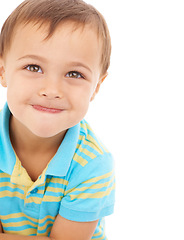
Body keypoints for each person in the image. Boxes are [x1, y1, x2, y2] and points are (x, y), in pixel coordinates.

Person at [0, 0, 115, 239]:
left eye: (75, 74)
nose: (51, 90)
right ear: (2, 70)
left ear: (96, 87)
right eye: (33, 67)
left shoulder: (92, 164)